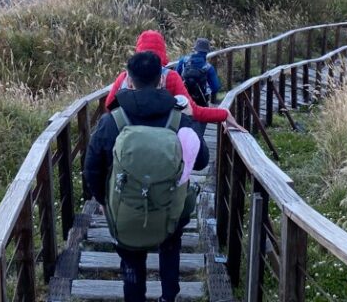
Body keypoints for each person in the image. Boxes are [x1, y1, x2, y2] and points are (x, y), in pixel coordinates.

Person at [85, 51, 211, 302]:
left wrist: (103, 200)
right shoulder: (177, 119)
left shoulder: (113, 121)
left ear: (129, 81)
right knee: (171, 245)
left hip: (126, 209)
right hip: (169, 209)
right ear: (161, 81)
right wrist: (190, 121)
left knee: (131, 259)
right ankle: (168, 296)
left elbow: (92, 167)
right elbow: (202, 160)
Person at [106, 31, 244, 132]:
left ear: (138, 51)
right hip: (164, 148)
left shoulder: (125, 77)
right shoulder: (170, 77)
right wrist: (223, 113)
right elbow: (194, 111)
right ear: (162, 51)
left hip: (128, 147)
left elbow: (109, 106)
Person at [175, 37, 222, 108]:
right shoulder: (208, 67)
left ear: (195, 49)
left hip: (184, 101)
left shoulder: (183, 60)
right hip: (201, 103)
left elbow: (176, 76)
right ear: (207, 51)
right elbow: (215, 88)